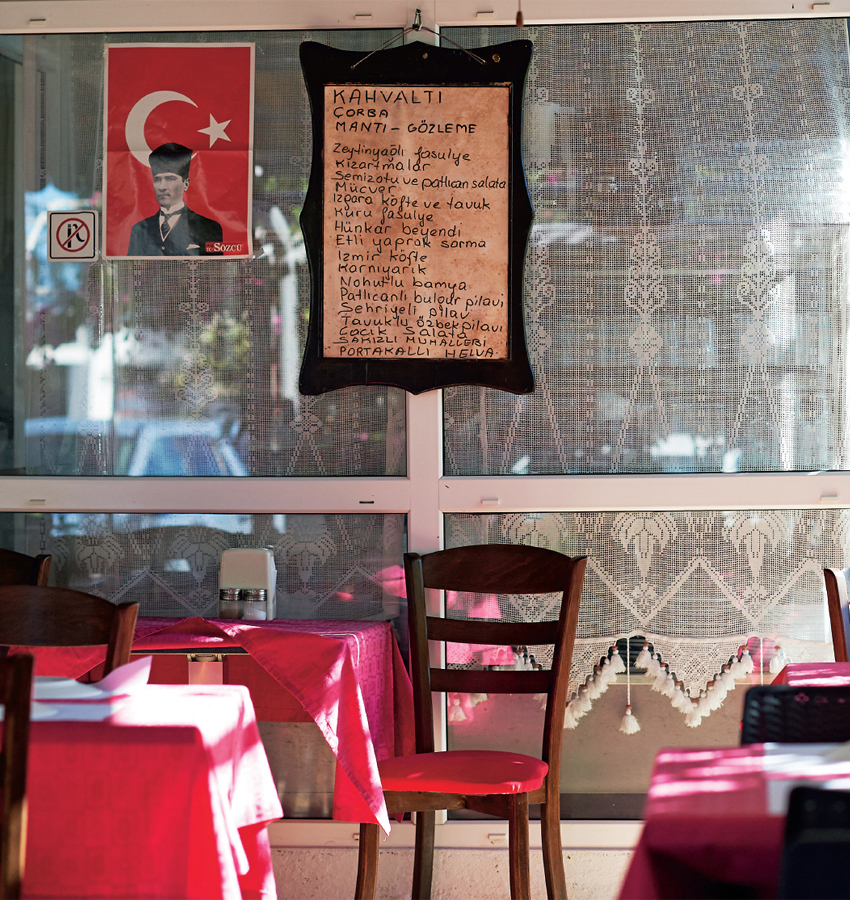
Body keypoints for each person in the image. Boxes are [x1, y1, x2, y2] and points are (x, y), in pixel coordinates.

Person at [127, 142, 222, 256]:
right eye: (157, 180)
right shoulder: (139, 229)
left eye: (170, 179)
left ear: (185, 184)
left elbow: (214, 270)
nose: (162, 187)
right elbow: (131, 270)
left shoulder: (209, 227)